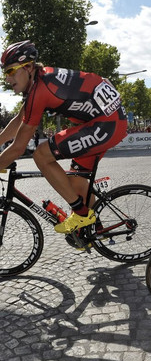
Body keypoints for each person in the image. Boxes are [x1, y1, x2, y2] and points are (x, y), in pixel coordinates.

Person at [0, 40, 128, 238]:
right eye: (5, 73)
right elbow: (19, 120)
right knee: (76, 182)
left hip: (107, 123)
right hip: (103, 121)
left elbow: (18, 148)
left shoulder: (41, 90)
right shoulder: (40, 79)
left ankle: (81, 214)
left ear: (28, 67)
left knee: (41, 155)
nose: (7, 79)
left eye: (10, 72)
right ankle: (94, 230)